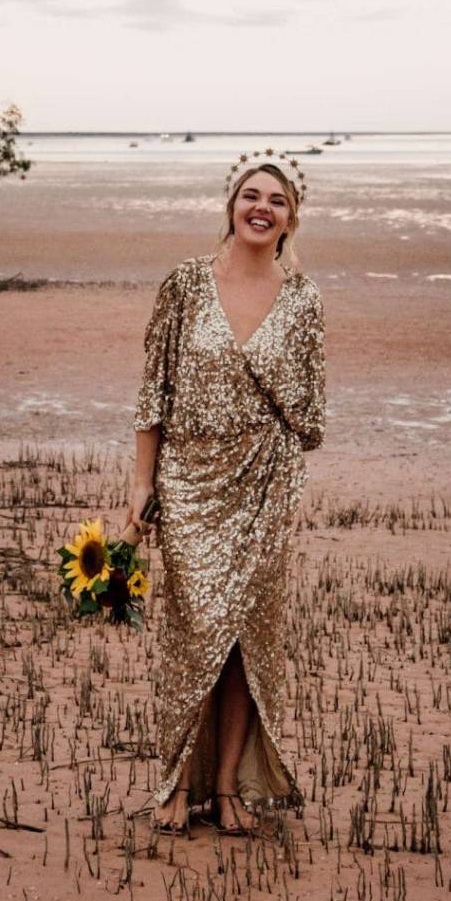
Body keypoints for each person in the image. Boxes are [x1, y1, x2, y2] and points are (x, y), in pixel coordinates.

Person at [123, 151, 326, 836]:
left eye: (276, 199)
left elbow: (310, 415)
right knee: (194, 632)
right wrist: (143, 483)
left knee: (244, 639)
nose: (261, 206)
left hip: (264, 488)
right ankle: (175, 778)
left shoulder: (303, 301)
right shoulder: (184, 286)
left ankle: (227, 786)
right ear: (231, 205)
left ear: (291, 218)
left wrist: (279, 470)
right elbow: (155, 390)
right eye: (250, 194)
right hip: (189, 483)